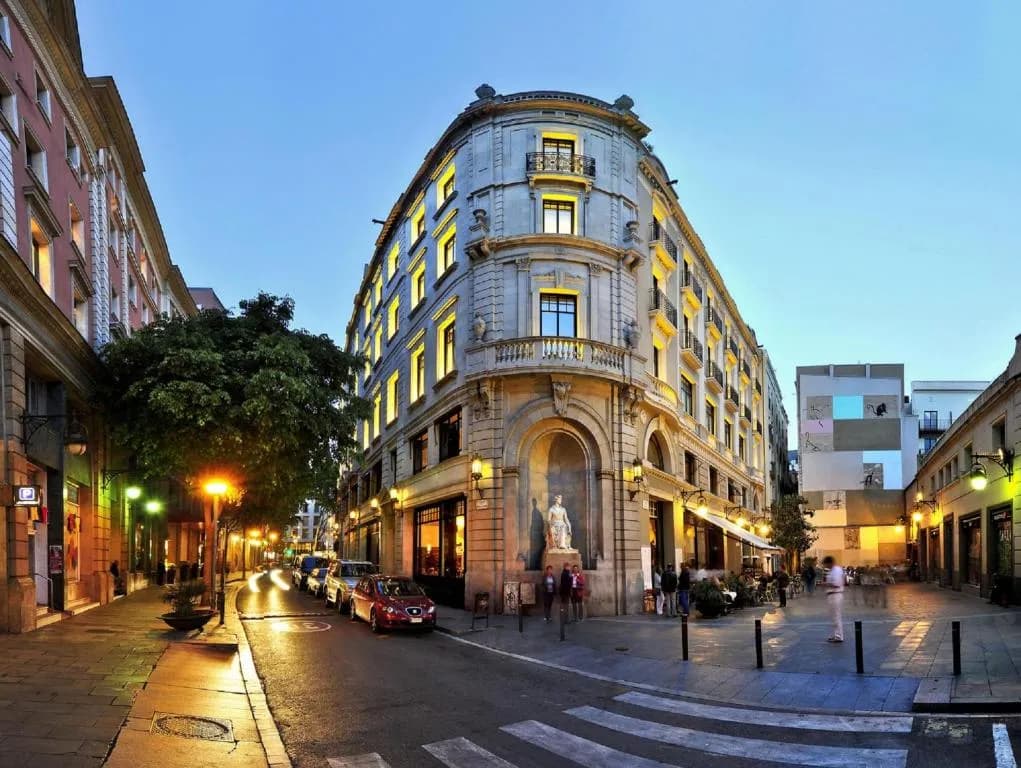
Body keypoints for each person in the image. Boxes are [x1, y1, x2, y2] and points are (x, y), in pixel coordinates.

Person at [823, 555, 845, 642]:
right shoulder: (833, 570)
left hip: (835, 595)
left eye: (826, 564)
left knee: (836, 616)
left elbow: (836, 584)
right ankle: (836, 634)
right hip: (832, 595)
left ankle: (839, 636)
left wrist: (825, 584)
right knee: (834, 616)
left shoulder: (836, 571)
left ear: (829, 563)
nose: (825, 566)